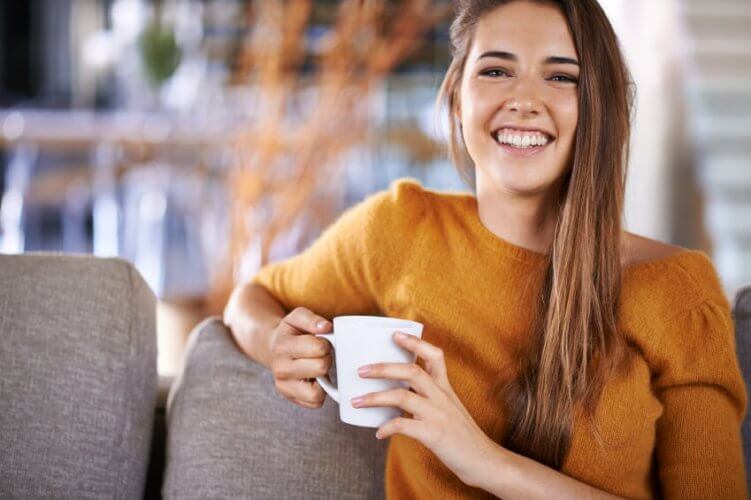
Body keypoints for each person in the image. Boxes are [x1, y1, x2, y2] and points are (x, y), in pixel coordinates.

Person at [223, 0, 748, 498]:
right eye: (496, 70)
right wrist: (277, 344)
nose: (523, 99)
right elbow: (252, 297)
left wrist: (482, 460)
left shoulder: (679, 292)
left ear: (600, 108)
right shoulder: (400, 229)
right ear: (456, 96)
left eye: (561, 76)